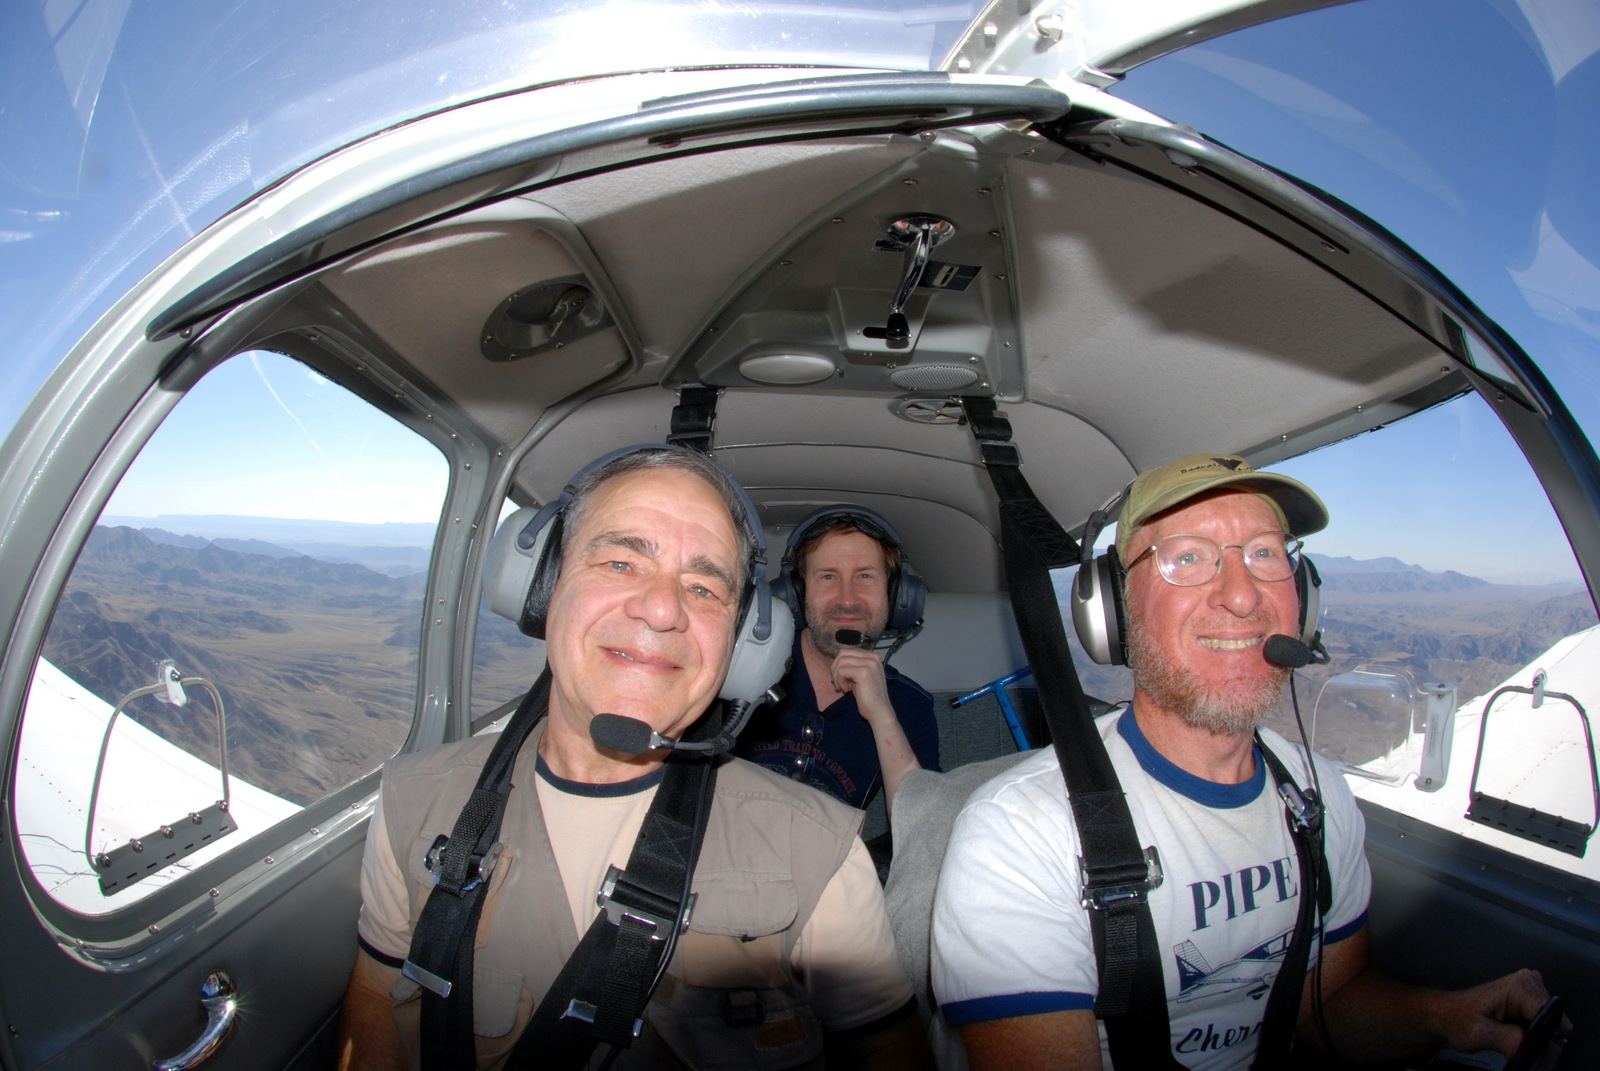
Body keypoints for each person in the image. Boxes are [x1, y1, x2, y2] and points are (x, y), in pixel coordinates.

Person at [929, 453, 1568, 1070]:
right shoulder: (1020, 834)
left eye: (1265, 554)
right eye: (1187, 558)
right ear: (1114, 610)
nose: (1241, 596)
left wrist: (1448, 1017)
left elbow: (1327, 1007)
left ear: (1304, 599)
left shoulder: (1318, 798)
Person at [338, 447, 932, 1071]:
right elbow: (374, 997)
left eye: (703, 587)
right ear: (539, 585)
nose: (662, 608)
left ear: (743, 644)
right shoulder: (412, 802)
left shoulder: (822, 854)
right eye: (620, 562)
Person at [737, 507, 939, 811]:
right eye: (828, 577)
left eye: (865, 576)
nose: (847, 599)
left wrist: (883, 717)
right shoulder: (739, 667)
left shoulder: (912, 707)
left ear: (895, 594)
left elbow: (922, 828)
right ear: (797, 593)